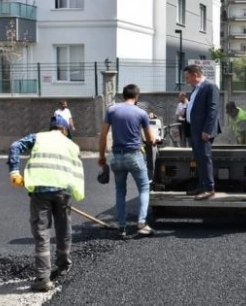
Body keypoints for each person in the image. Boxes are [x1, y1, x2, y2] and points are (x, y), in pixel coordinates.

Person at [8, 115, 84, 292]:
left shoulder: (38, 137)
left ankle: (43, 278)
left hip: (40, 191)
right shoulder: (71, 145)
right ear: (64, 130)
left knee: (42, 233)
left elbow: (15, 146)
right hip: (63, 192)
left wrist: (14, 171)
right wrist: (74, 192)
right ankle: (64, 264)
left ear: (50, 128)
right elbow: (75, 169)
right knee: (64, 229)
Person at [98, 84, 156, 238]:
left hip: (116, 156)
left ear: (123, 96)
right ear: (137, 97)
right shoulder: (141, 113)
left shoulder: (111, 110)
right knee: (144, 188)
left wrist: (102, 157)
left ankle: (122, 227)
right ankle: (141, 223)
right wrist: (154, 140)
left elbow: (103, 136)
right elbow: (150, 138)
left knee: (120, 191)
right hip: (134, 155)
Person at [183, 65, 222, 200]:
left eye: (187, 77)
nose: (186, 81)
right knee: (198, 158)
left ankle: (209, 188)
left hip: (203, 131)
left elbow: (213, 109)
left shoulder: (210, 86)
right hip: (194, 129)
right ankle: (202, 184)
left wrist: (207, 130)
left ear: (195, 75)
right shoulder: (196, 89)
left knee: (204, 158)